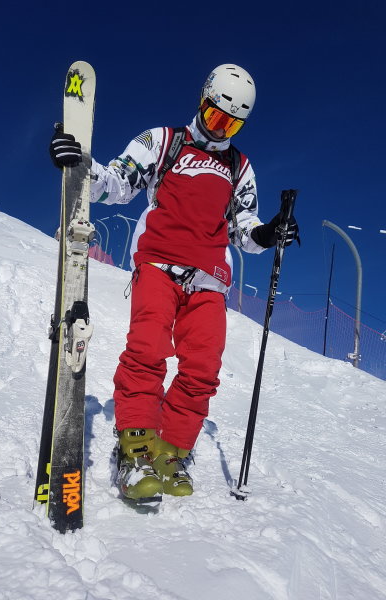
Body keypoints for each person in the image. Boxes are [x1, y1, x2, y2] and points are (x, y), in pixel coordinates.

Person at [50, 64, 299, 501]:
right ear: (203, 100)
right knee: (147, 351)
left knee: (202, 369)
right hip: (159, 264)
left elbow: (243, 228)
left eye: (231, 125)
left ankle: (172, 451)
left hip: (210, 280)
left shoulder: (239, 166)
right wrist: (81, 166)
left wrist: (267, 233)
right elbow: (119, 182)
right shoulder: (164, 141)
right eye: (216, 116)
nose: (220, 130)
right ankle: (135, 448)